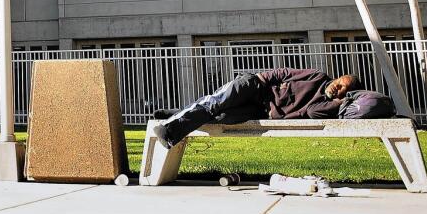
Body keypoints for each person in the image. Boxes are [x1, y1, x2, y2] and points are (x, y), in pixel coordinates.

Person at [152, 67, 360, 148]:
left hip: (261, 111)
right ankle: (169, 130)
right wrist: (260, 78)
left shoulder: (322, 105)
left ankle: (175, 114)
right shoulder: (318, 76)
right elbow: (282, 73)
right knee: (215, 103)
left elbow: (313, 112)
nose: (338, 88)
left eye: (343, 91)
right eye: (341, 83)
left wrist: (338, 102)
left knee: (221, 116)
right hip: (255, 87)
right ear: (339, 77)